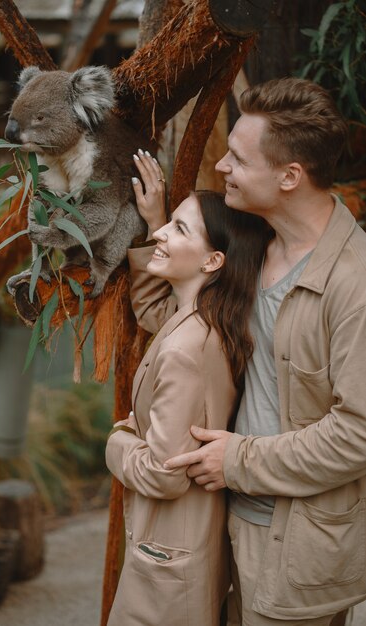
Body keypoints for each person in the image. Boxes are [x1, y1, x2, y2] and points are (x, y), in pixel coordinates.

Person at [141, 77, 366, 625]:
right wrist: (155, 230)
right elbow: (174, 323)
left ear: (290, 176)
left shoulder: (354, 281)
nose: (221, 168)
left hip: (298, 545)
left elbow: (358, 433)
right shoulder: (252, 247)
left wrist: (236, 460)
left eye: (238, 159)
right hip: (226, 517)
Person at [105, 167, 267, 625]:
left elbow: (163, 474)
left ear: (213, 261)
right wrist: (155, 216)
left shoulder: (186, 349)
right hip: (192, 541)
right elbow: (158, 312)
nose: (160, 232)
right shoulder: (212, 321)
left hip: (169, 552)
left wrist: (117, 442)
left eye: (178, 228)